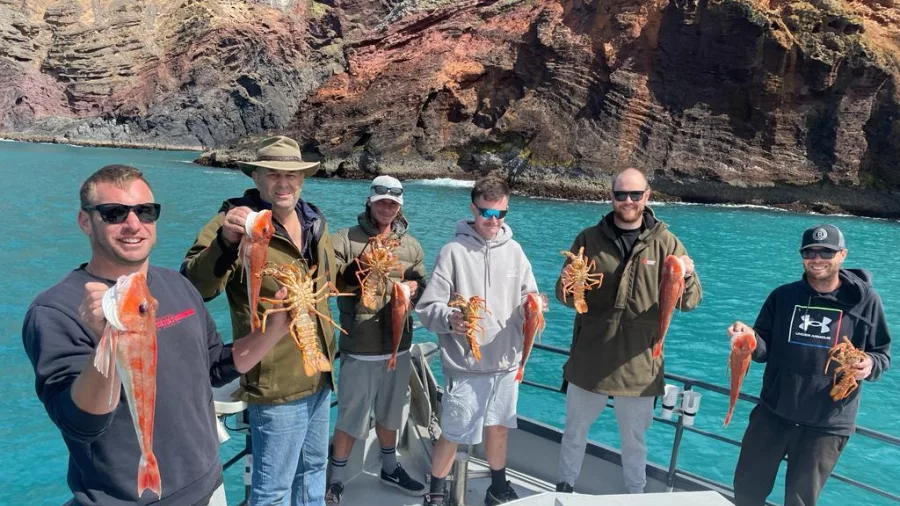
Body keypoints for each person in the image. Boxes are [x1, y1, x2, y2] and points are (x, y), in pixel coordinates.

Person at [22, 165, 291, 506]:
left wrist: (275, 329)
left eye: (146, 212)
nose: (133, 224)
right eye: (114, 213)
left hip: (209, 487)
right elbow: (81, 424)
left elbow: (216, 366)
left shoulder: (177, 284)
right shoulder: (56, 310)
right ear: (85, 221)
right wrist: (108, 341)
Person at [181, 136, 338, 506]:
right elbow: (194, 286)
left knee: (314, 470)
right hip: (275, 382)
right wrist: (225, 241)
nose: (284, 183)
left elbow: (330, 281)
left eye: (292, 175)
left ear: (303, 179)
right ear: (256, 177)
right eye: (272, 174)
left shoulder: (314, 220)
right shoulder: (232, 221)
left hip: (321, 374)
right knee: (273, 490)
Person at [555, 168, 702, 494]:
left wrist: (688, 276)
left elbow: (690, 302)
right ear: (611, 197)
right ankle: (563, 490)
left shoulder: (667, 243)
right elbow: (565, 296)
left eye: (635, 194)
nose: (628, 201)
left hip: (640, 364)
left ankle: (636, 496)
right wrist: (566, 286)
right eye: (621, 194)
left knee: (634, 441)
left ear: (648, 196)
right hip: (590, 357)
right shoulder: (588, 239)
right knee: (574, 432)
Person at [728, 224, 891, 506]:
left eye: (826, 251)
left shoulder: (866, 301)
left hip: (826, 424)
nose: (817, 258)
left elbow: (882, 354)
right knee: (746, 489)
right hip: (774, 412)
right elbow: (763, 348)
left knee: (800, 501)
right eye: (810, 252)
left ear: (842, 255)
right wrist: (750, 337)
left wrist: (868, 364)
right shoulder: (783, 296)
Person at [415, 176, 540, 506]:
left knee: (499, 428)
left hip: (506, 364)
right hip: (466, 366)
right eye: (487, 213)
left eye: (501, 214)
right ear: (473, 208)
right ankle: (436, 492)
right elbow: (428, 309)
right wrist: (450, 319)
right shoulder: (452, 252)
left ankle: (497, 486)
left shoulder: (515, 251)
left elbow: (530, 296)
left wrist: (536, 306)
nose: (494, 221)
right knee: (453, 433)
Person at [325, 176, 428, 503]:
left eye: (393, 203)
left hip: (398, 345)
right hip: (360, 345)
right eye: (381, 201)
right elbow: (331, 279)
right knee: (351, 416)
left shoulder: (410, 245)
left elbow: (423, 285)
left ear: (400, 207)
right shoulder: (346, 238)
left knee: (390, 413)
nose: (387, 207)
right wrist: (361, 263)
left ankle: (389, 466)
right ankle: (336, 479)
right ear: (370, 201)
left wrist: (415, 288)